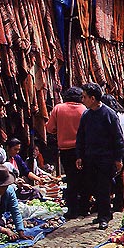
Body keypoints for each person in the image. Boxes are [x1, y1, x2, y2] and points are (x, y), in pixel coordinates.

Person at [75, 82, 124, 230]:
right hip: (90, 158)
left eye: (84, 97)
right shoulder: (86, 115)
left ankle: (104, 216)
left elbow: (118, 138)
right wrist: (79, 156)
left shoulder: (109, 114)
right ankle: (104, 213)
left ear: (92, 98)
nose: (82, 100)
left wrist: (118, 159)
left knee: (103, 188)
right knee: (94, 187)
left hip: (105, 158)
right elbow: (81, 137)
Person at [45, 87, 87, 219]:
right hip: (82, 150)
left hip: (65, 151)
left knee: (71, 179)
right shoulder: (84, 110)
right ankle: (84, 208)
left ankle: (72, 210)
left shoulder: (58, 108)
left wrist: (61, 129)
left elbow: (50, 128)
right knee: (83, 178)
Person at [0, 165, 29, 242]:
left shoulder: (9, 191)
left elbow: (15, 211)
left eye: (5, 186)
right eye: (0, 187)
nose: (3, 189)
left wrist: (20, 231)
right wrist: (5, 230)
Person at [104, 94, 124, 214]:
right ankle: (120, 203)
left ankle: (110, 200)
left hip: (115, 148)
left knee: (109, 176)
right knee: (121, 176)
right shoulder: (123, 114)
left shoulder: (110, 115)